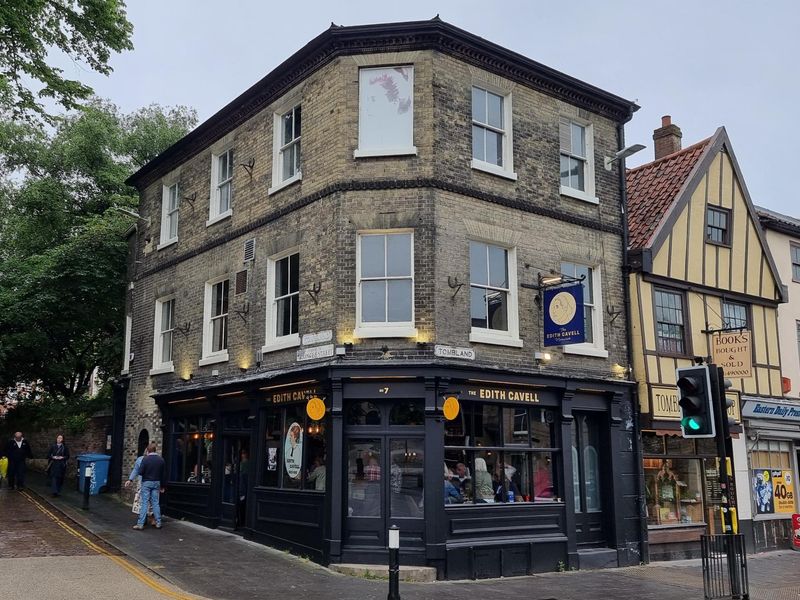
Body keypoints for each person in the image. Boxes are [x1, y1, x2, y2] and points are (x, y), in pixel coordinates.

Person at [129, 442, 165, 530]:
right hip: (157, 482)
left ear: (148, 451)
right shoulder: (161, 460)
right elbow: (163, 474)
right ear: (155, 450)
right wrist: (163, 486)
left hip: (146, 482)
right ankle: (158, 522)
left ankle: (140, 524)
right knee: (155, 503)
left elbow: (140, 472)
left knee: (144, 503)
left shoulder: (145, 459)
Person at [124, 447, 156, 526]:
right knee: (145, 501)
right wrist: (130, 479)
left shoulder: (152, 459)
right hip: (145, 483)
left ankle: (150, 518)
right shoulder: (140, 459)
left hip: (148, 483)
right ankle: (145, 518)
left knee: (147, 501)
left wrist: (130, 480)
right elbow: (135, 470)